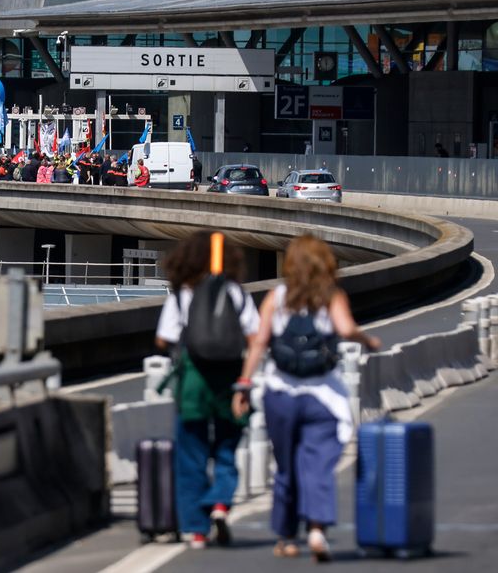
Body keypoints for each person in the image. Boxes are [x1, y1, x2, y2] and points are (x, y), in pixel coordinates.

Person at [232, 234, 381, 562]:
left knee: (285, 467)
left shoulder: (277, 296)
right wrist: (368, 339)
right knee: (317, 465)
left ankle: (286, 537)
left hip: (280, 395)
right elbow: (345, 329)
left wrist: (244, 384)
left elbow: (258, 343)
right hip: (322, 397)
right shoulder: (331, 295)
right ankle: (316, 529)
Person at [155, 231, 259, 550]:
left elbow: (163, 338)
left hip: (193, 379)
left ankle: (196, 530)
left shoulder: (182, 295)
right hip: (229, 377)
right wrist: (244, 382)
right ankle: (220, 503)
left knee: (191, 452)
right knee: (227, 445)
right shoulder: (235, 292)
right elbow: (255, 338)